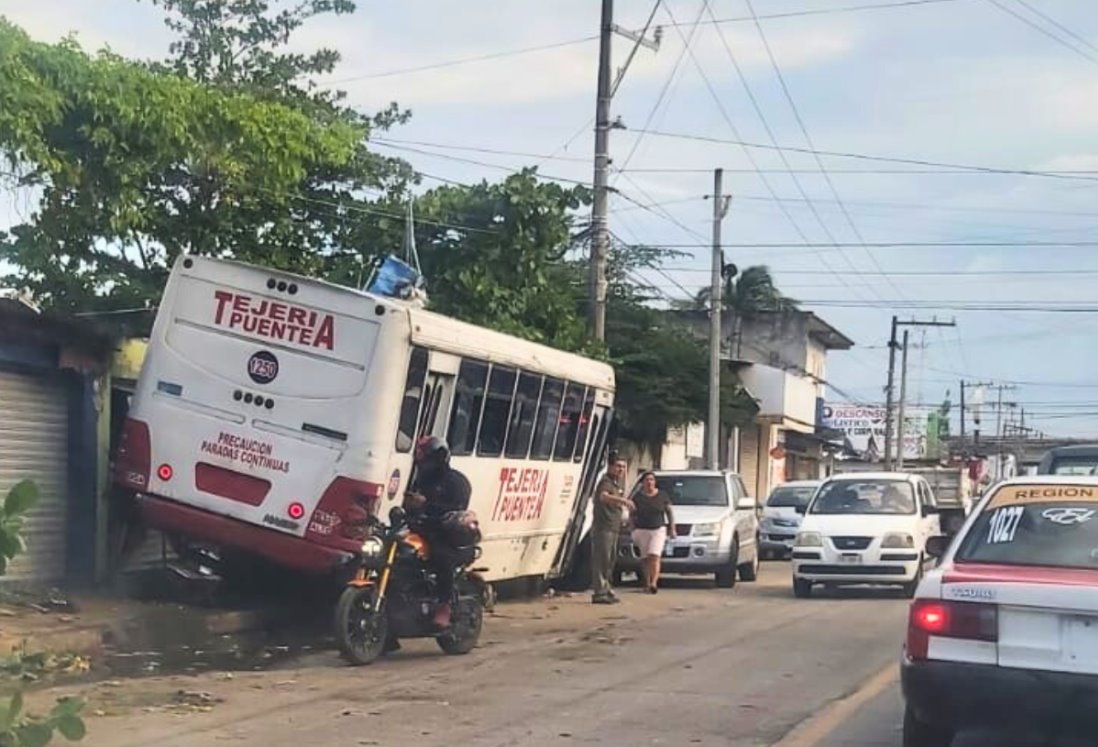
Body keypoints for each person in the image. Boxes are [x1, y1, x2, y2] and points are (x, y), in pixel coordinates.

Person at [405, 436, 472, 628]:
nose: (423, 463)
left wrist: (426, 505)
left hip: (447, 535)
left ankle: (444, 606)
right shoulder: (421, 480)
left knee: (442, 558)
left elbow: (457, 508)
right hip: (421, 529)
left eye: (427, 459)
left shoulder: (456, 482)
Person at [590, 458, 634, 605]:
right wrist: (623, 501)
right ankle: (599, 592)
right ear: (610, 467)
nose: (620, 470)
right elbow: (604, 497)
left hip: (614, 527)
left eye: (623, 467)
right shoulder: (606, 482)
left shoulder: (616, 484)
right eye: (618, 466)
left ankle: (607, 589)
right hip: (604, 527)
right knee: (602, 560)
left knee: (610, 561)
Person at [631, 471, 676, 594]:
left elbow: (669, 512)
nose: (649, 482)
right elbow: (631, 512)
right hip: (642, 530)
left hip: (658, 529)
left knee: (654, 555)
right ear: (643, 483)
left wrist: (672, 528)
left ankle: (653, 583)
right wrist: (632, 527)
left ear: (655, 482)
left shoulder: (662, 495)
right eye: (647, 480)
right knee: (645, 558)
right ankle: (646, 582)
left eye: (652, 480)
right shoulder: (638, 497)